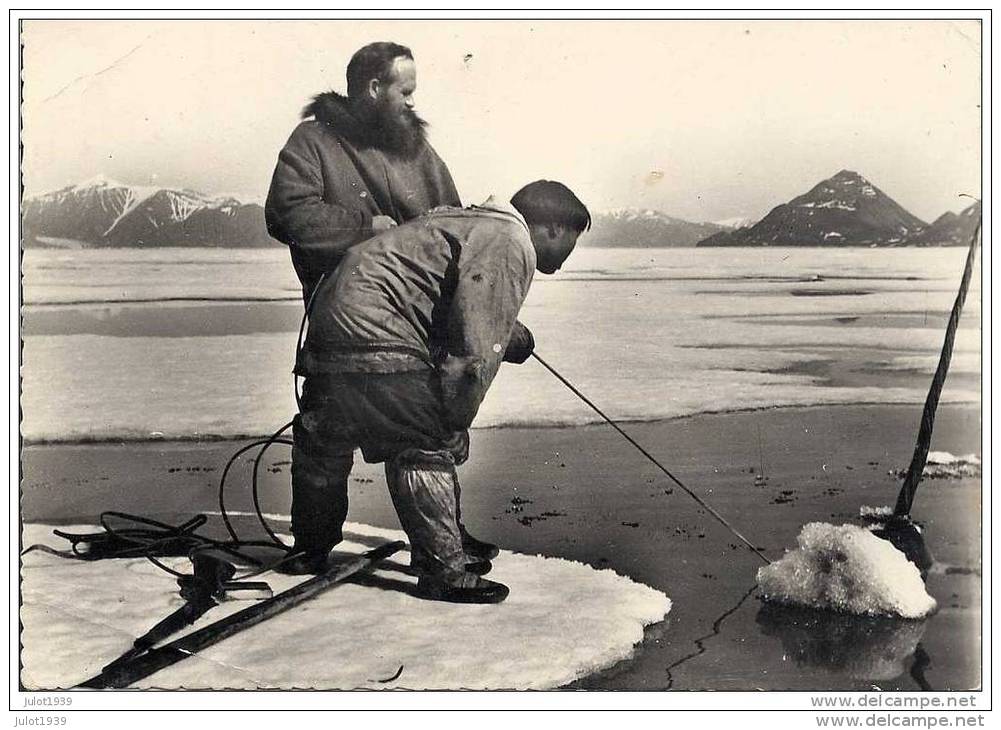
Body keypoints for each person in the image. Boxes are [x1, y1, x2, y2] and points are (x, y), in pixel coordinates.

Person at [266, 42, 532, 568]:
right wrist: (365, 229)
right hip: (340, 317)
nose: (412, 102)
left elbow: (455, 228)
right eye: (404, 91)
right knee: (324, 434)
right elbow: (288, 216)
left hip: (417, 321)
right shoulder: (312, 143)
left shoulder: (419, 153)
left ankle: (445, 534)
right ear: (373, 88)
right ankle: (313, 547)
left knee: (431, 430)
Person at [292, 181, 590, 603]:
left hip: (331, 320)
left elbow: (446, 298)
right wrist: (450, 422)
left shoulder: (465, 221)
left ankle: (310, 549)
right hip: (380, 330)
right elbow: (472, 354)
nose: (569, 252)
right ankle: (443, 571)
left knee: (325, 436)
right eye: (574, 239)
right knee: (422, 442)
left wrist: (509, 334)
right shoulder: (511, 240)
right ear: (554, 228)